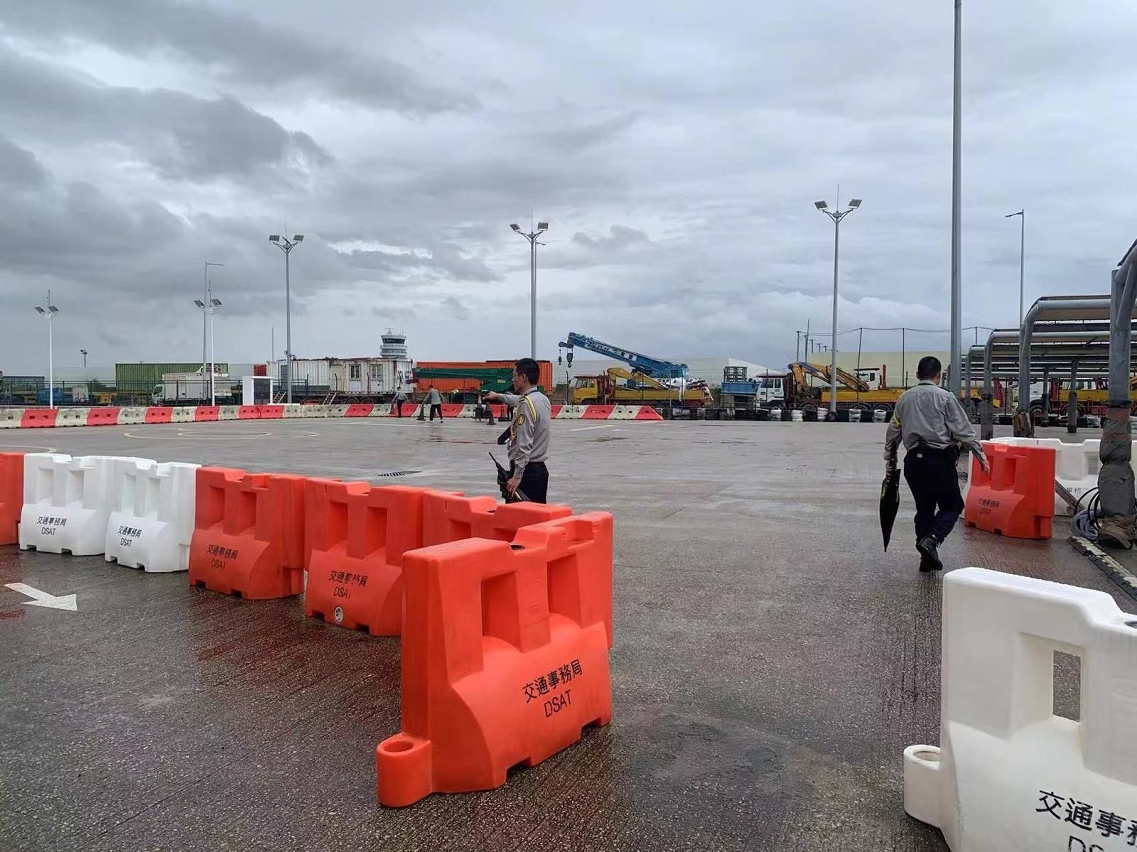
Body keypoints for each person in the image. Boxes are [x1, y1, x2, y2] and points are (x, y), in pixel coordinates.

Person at [884, 355, 990, 572]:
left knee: (924, 509)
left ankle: (926, 559)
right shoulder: (946, 398)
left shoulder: (904, 398)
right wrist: (981, 456)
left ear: (917, 375)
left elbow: (893, 432)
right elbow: (963, 430)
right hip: (939, 461)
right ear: (938, 376)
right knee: (952, 506)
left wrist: (889, 463)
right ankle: (932, 540)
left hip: (914, 463)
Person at [485, 358, 551, 503]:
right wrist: (498, 396)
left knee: (521, 515)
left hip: (526, 473)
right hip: (539, 471)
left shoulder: (526, 404)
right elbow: (518, 400)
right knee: (538, 514)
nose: (512, 379)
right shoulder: (541, 399)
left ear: (523, 377)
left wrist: (517, 476)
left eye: (514, 375)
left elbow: (524, 443)